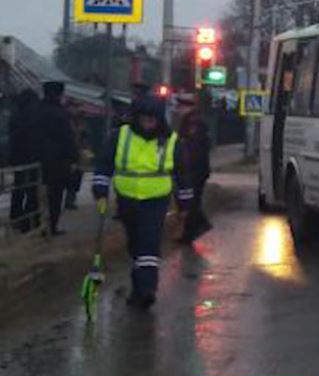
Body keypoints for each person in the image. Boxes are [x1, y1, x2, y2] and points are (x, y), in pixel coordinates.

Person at [92, 96, 176, 309]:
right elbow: (104, 164)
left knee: (149, 241)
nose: (148, 124)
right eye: (144, 120)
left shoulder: (169, 139)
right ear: (136, 119)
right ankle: (138, 289)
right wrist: (100, 189)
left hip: (156, 200)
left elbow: (182, 169)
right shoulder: (120, 136)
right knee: (135, 244)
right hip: (127, 200)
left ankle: (147, 288)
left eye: (152, 120)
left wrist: (185, 199)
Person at [33, 81, 76, 235]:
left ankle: (35, 225)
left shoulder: (36, 110)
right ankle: (51, 226)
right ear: (59, 94)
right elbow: (67, 138)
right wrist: (73, 157)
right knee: (55, 195)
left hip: (36, 158)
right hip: (57, 161)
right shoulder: (60, 113)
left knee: (35, 193)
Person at [174, 97, 212, 244]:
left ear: (186, 107)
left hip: (194, 170)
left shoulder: (192, 122)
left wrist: (186, 166)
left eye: (180, 107)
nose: (178, 110)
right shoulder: (193, 120)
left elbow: (192, 148)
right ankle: (192, 232)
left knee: (191, 202)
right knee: (192, 202)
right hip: (197, 169)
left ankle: (193, 231)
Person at [7, 89, 40, 232]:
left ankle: (16, 218)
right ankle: (29, 220)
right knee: (32, 189)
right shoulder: (33, 116)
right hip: (31, 156)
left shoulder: (15, 114)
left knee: (18, 188)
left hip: (17, 157)